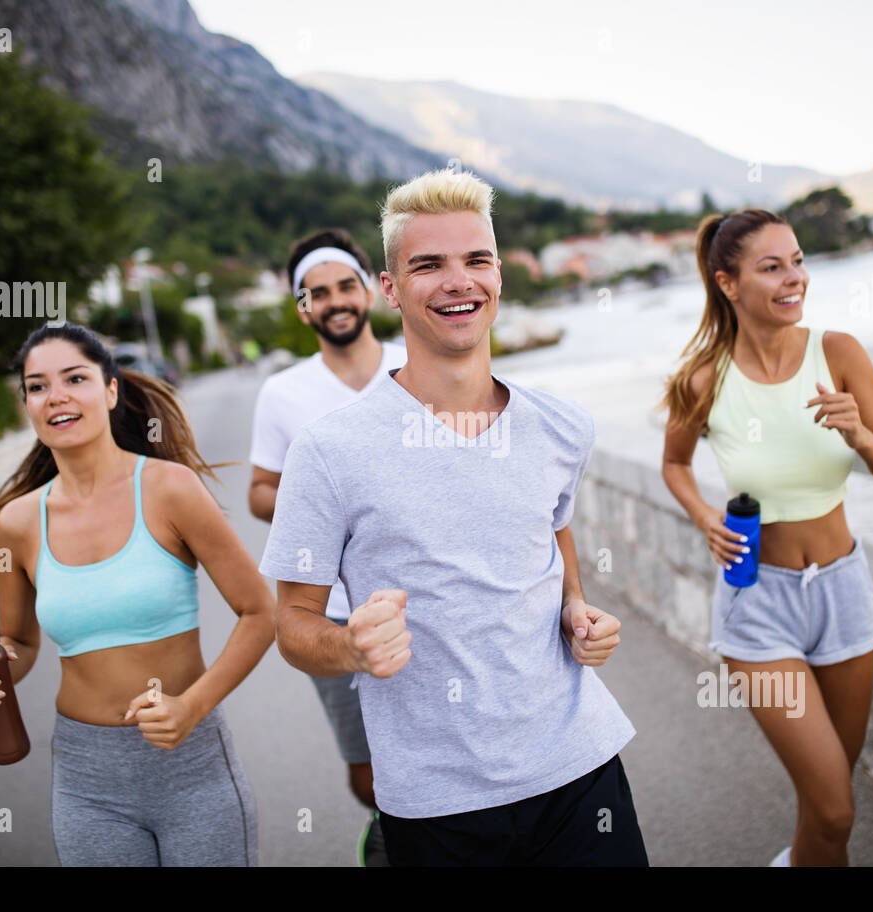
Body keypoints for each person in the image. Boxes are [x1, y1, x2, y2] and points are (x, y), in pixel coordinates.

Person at [259, 169, 648, 866]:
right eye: (428, 265)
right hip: (435, 801)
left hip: (579, 770)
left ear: (499, 273)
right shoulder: (328, 450)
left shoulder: (562, 427)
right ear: (391, 287)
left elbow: (554, 537)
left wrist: (578, 610)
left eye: (476, 260)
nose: (458, 281)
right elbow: (292, 624)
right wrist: (350, 648)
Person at [0, 322, 275, 866]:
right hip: (87, 781)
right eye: (36, 386)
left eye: (74, 378)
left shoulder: (171, 489)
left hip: (192, 768)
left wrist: (191, 708)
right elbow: (19, 643)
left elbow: (259, 611)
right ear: (28, 406)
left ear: (109, 391)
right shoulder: (18, 524)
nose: (55, 396)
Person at [660, 210, 873, 866]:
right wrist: (703, 516)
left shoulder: (841, 353)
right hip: (758, 607)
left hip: (844, 593)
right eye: (772, 267)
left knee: (827, 809)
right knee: (834, 808)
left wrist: (857, 433)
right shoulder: (704, 378)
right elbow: (675, 464)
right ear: (729, 284)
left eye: (797, 261)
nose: (794, 277)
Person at [248, 227, 406, 865]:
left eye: (347, 285)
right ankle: (388, 831)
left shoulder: (414, 364)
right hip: (336, 610)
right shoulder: (283, 393)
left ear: (370, 289)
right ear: (302, 308)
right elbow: (260, 491)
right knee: (368, 769)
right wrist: (319, 504)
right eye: (319, 292)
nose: (336, 300)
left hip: (433, 594)